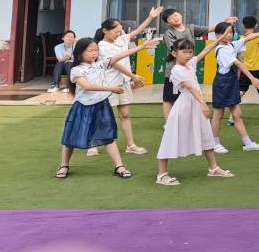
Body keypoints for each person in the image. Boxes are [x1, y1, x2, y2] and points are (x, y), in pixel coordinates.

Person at [56, 35, 158, 179]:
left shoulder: (101, 63)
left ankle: (119, 166)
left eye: (96, 50)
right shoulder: (76, 70)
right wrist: (111, 88)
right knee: (71, 137)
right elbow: (87, 86)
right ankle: (64, 165)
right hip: (82, 107)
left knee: (108, 136)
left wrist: (141, 47)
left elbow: (120, 55)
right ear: (80, 53)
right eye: (90, 51)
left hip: (102, 106)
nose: (94, 53)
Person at [155, 35, 235, 186]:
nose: (188, 55)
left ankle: (214, 168)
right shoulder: (176, 70)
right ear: (174, 53)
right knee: (171, 137)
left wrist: (219, 40)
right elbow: (190, 87)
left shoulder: (190, 63)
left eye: (190, 52)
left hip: (196, 105)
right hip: (184, 106)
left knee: (206, 135)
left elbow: (205, 51)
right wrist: (203, 104)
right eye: (184, 52)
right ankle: (162, 174)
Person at [87, 10, 160, 157]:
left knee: (125, 114)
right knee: (103, 115)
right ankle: (93, 144)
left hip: (123, 83)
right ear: (105, 30)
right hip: (109, 85)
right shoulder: (102, 46)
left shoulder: (121, 39)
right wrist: (133, 76)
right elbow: (115, 63)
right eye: (115, 31)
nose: (118, 34)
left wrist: (150, 17)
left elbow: (137, 32)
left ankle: (131, 145)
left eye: (120, 31)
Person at [210, 21, 259, 154]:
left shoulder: (231, 45)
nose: (229, 35)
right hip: (222, 85)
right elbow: (238, 64)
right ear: (218, 35)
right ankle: (215, 144)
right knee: (218, 114)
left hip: (231, 83)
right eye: (226, 33)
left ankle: (247, 143)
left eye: (231, 32)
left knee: (237, 114)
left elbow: (249, 37)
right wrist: (252, 78)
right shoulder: (222, 49)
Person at [161, 8, 237, 120]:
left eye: (176, 15)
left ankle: (185, 119)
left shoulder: (191, 28)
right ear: (168, 23)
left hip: (190, 66)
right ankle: (169, 122)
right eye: (171, 18)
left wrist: (223, 23)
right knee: (169, 98)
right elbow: (175, 50)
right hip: (174, 70)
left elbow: (210, 29)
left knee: (188, 94)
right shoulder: (169, 33)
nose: (175, 18)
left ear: (181, 15)